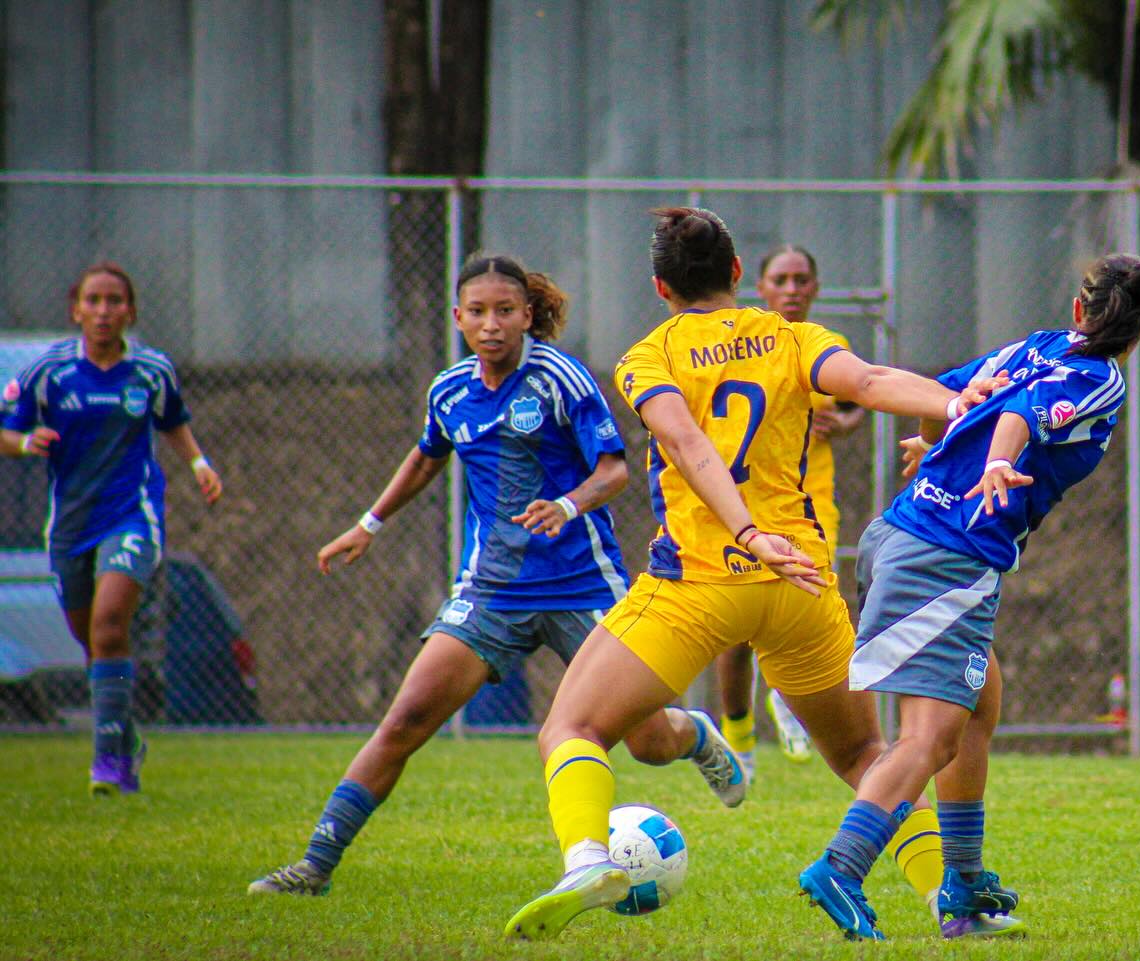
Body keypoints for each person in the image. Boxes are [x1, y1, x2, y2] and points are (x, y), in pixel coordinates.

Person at [502, 207, 1000, 941]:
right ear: (739, 274)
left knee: (571, 725)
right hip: (797, 586)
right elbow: (867, 379)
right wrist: (952, 401)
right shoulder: (792, 335)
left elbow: (687, 443)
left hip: (698, 585)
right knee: (866, 754)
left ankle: (586, 858)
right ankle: (948, 905)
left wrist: (743, 531)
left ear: (660, 286)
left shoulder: (650, 355)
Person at [248, 254, 734, 896]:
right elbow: (427, 456)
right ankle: (313, 866)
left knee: (645, 740)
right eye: (477, 312)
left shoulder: (561, 379)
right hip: (491, 592)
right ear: (457, 319)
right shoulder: (449, 391)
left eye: (505, 311)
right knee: (405, 721)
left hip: (582, 587)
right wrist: (369, 524)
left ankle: (693, 734)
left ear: (528, 315)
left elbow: (614, 469)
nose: (492, 324)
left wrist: (566, 505)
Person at [799, 253, 1140, 942]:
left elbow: (952, 391)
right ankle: (839, 868)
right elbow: (1020, 415)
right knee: (930, 738)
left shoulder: (1039, 344)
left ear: (1079, 310)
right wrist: (997, 459)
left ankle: (964, 886)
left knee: (979, 701)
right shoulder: (1099, 379)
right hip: (946, 558)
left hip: (904, 534)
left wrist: (932, 439)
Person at [0, 262, 223, 795]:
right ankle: (126, 739)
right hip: (70, 525)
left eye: (114, 301)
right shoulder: (48, 371)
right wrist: (25, 443)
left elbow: (173, 421)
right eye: (94, 301)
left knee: (108, 622)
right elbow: (6, 431)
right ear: (76, 310)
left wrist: (198, 464)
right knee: (92, 640)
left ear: (131, 311)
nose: (104, 311)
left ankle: (107, 763)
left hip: (131, 517)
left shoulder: (150, 370)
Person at [716, 244, 864, 775]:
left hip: (808, 505)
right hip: (741, 505)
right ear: (760, 287)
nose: (793, 288)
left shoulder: (827, 346)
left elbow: (852, 403)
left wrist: (842, 424)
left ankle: (788, 699)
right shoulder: (733, 349)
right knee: (735, 628)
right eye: (782, 278)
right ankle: (738, 736)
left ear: (817, 288)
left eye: (803, 278)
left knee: (811, 602)